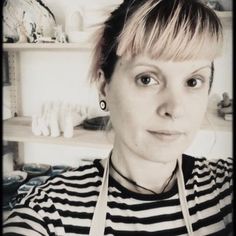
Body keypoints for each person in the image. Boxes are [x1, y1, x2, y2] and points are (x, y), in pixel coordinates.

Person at [3, 0, 232, 235]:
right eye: (146, 79)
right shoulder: (48, 211)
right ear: (104, 87)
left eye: (193, 81)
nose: (174, 108)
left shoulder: (224, 189)